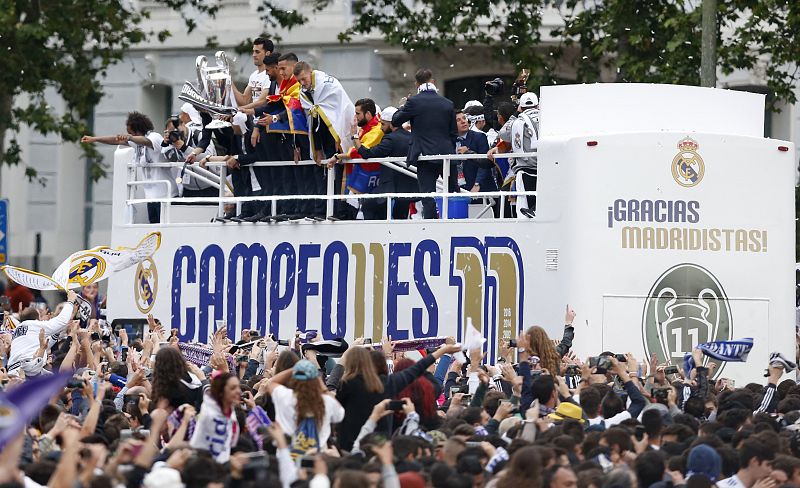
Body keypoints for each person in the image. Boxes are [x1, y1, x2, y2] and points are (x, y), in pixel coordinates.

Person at [81, 112, 176, 223]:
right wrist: (95, 139)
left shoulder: (154, 137)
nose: (129, 135)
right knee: (155, 230)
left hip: (165, 195)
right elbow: (116, 140)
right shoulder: (136, 142)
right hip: (152, 197)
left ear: (138, 130)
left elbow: (146, 142)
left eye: (131, 133)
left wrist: (131, 138)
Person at [392, 68, 458, 219]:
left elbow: (395, 121)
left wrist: (404, 105)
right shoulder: (447, 103)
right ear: (433, 81)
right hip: (446, 154)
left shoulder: (414, 102)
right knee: (452, 193)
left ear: (416, 84)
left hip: (424, 154)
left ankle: (431, 224)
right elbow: (453, 133)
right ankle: (455, 221)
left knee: (427, 195)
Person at [295, 61, 357, 220]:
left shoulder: (328, 85)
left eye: (304, 79)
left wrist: (338, 137)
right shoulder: (305, 92)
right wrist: (316, 147)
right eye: (299, 81)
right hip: (321, 135)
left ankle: (338, 209)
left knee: (338, 174)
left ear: (310, 72)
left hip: (336, 134)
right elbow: (313, 115)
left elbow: (339, 112)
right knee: (324, 172)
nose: (303, 83)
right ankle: (323, 209)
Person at [265, 359, 345, 456]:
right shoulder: (327, 401)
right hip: (317, 459)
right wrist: (321, 385)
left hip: (288, 458)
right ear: (316, 380)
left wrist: (295, 369)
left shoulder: (286, 397)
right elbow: (340, 415)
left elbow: (271, 383)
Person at [353, 106, 417, 220]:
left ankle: (378, 236)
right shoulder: (411, 137)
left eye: (383, 124)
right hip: (409, 187)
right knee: (400, 217)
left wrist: (354, 136)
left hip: (391, 186)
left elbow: (366, 153)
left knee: (368, 206)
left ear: (392, 124)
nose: (381, 128)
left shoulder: (390, 139)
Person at [328, 98, 384, 219]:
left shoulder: (377, 130)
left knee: (367, 211)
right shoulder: (366, 128)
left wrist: (338, 156)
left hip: (370, 176)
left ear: (368, 114)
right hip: (362, 174)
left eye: (358, 113)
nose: (355, 116)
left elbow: (359, 151)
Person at [6, 290, 78, 377]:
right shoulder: (35, 324)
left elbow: (44, 345)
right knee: (59, 382)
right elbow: (61, 321)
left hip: (14, 371)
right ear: (37, 318)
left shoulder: (19, 329)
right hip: (27, 369)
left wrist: (56, 331)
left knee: (52, 378)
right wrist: (70, 301)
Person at [189, 372, 241, 463]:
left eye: (238, 387)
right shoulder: (211, 415)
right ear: (220, 392)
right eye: (233, 388)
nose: (239, 391)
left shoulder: (229, 410)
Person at [509, 92, 540, 218]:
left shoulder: (517, 121)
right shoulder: (550, 118)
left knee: (525, 210)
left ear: (520, 107)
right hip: (548, 166)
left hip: (526, 168)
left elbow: (502, 133)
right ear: (538, 105)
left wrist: (515, 114)